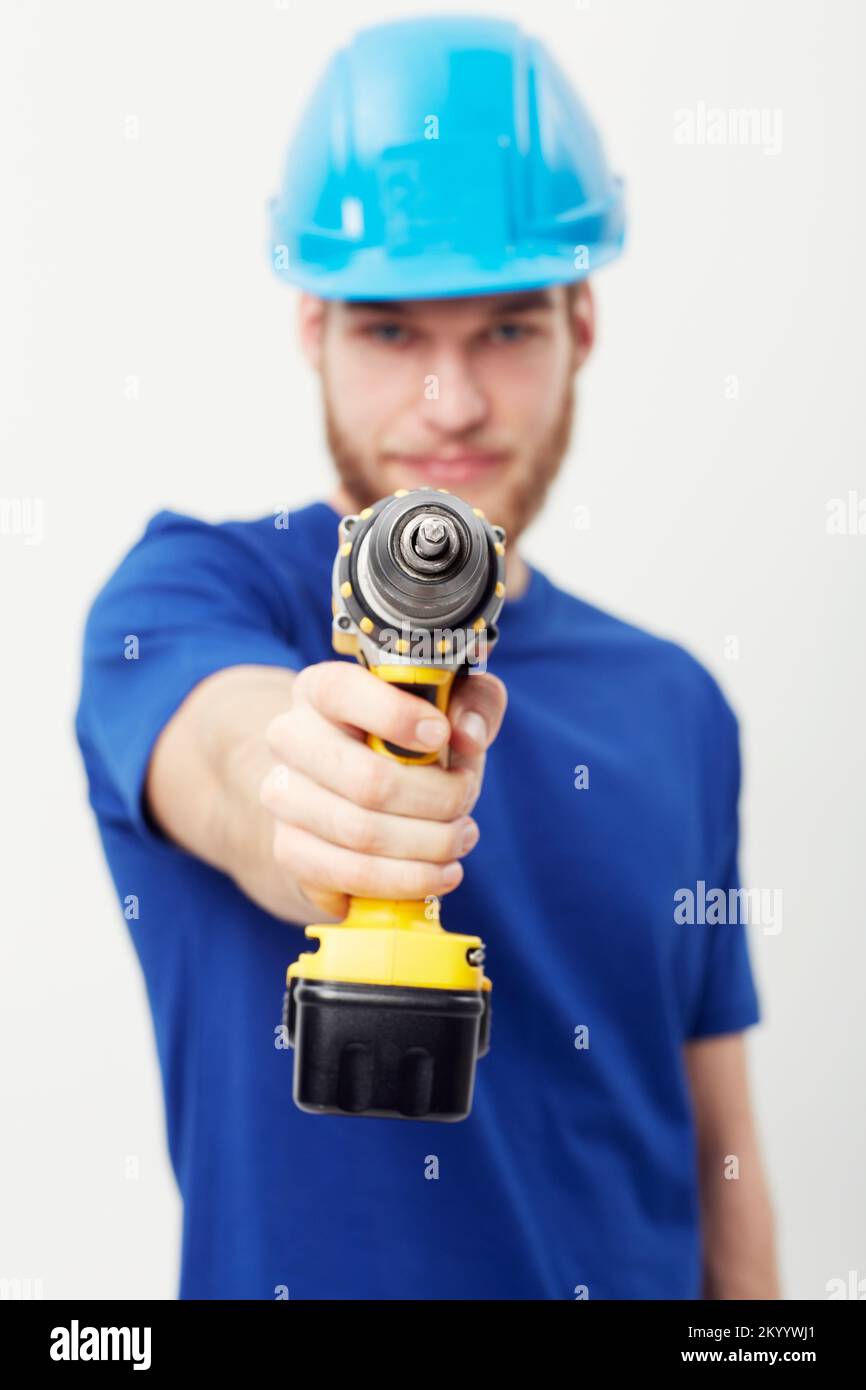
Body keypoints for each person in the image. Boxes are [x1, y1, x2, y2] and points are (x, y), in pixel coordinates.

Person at [75, 15, 779, 1299]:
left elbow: (717, 1139)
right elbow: (234, 759)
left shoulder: (678, 704)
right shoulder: (187, 595)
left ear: (582, 323)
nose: (448, 402)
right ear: (313, 330)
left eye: (505, 331)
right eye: (392, 333)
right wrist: (317, 810)